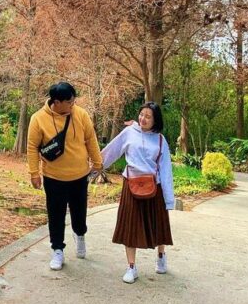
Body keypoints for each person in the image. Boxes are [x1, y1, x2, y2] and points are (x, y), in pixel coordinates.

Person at [28, 82, 103, 271]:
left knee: (79, 212)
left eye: (73, 100)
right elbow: (32, 147)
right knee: (56, 215)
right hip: (54, 177)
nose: (73, 104)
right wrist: (34, 173)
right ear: (57, 102)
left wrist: (98, 162)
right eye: (69, 101)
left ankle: (80, 235)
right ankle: (58, 250)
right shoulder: (38, 119)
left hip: (79, 175)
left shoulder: (81, 114)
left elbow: (91, 139)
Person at [101, 101, 174, 284]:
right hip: (131, 185)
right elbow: (111, 152)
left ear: (155, 120)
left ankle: (161, 256)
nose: (143, 119)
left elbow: (165, 169)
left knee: (159, 225)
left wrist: (168, 198)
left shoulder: (160, 140)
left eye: (148, 116)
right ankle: (131, 267)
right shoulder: (129, 133)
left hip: (153, 186)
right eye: (142, 115)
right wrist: (93, 167)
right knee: (130, 227)